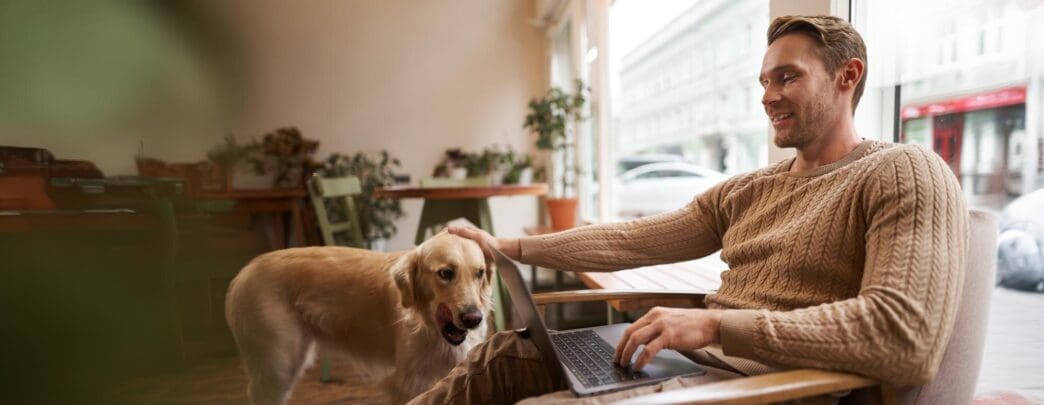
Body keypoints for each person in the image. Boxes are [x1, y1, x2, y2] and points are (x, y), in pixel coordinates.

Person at [408, 15, 969, 404]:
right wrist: (508, 248)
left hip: (758, 390)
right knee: (503, 356)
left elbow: (903, 339)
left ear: (848, 77)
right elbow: (635, 240)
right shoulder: (749, 189)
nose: (768, 95)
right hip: (686, 369)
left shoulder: (902, 169)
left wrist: (713, 324)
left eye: (788, 77)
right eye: (765, 81)